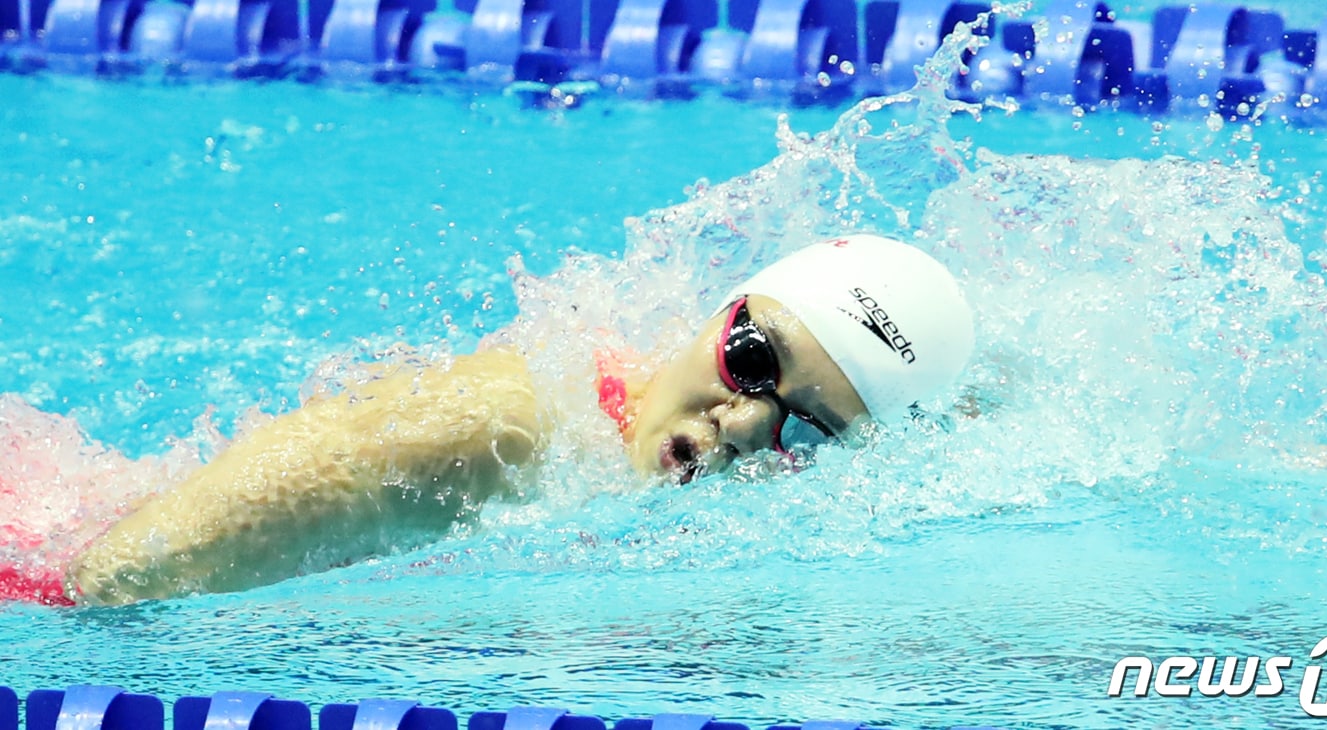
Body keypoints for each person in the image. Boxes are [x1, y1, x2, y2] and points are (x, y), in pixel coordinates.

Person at [63, 234, 975, 605]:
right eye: (752, 363)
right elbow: (115, 576)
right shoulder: (512, 424)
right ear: (719, 314)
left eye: (807, 431)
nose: (743, 426)